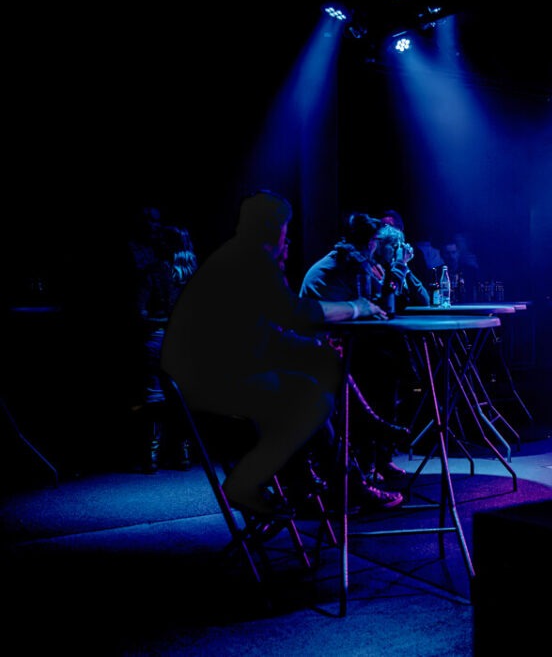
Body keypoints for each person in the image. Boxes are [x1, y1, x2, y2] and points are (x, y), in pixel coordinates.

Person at [161, 190, 391, 518]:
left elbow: (262, 335)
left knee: (314, 378)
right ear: (275, 228)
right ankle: (250, 483)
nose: (289, 237)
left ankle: (315, 483)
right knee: (312, 399)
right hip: (206, 385)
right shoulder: (251, 260)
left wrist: (315, 349)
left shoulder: (236, 256)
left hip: (202, 377)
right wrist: (357, 308)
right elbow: (295, 313)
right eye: (286, 229)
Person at [300, 214, 422, 485]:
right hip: (323, 348)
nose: (381, 248)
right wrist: (399, 268)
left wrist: (402, 270)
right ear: (371, 243)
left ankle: (378, 455)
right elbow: (383, 306)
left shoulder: (359, 263)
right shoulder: (349, 264)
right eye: (383, 243)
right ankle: (369, 459)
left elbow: (394, 304)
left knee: (386, 361)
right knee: (381, 366)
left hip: (342, 342)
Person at [134, 222, 198, 472]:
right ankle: (184, 454)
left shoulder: (151, 273)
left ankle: (152, 456)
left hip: (158, 339)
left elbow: (139, 313)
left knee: (155, 395)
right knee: (183, 397)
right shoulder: (196, 275)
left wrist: (162, 320)